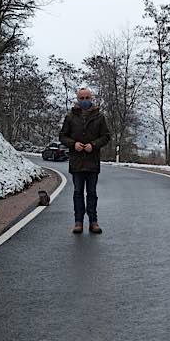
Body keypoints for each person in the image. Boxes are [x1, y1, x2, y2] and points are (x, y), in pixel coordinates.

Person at [59, 87, 111, 234]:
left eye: (87, 98)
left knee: (92, 193)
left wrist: (93, 145)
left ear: (91, 98)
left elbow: (106, 136)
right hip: (76, 162)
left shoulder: (99, 117)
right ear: (77, 99)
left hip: (92, 162)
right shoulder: (70, 117)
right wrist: (73, 144)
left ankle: (93, 221)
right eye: (81, 98)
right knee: (77, 193)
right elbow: (62, 136)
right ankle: (78, 222)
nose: (84, 101)